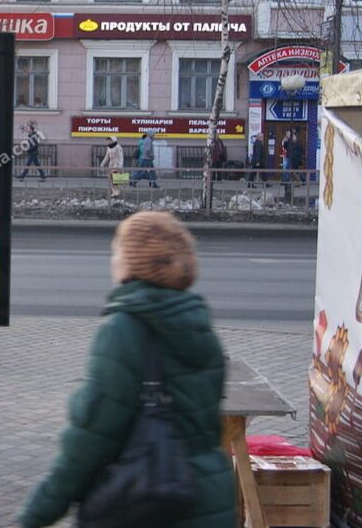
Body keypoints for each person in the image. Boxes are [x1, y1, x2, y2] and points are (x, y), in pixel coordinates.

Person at [17, 211, 235, 528]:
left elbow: (91, 437)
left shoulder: (125, 327)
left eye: (117, 251)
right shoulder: (199, 323)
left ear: (134, 262)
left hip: (150, 499)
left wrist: (40, 510)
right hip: (208, 497)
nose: (113, 260)